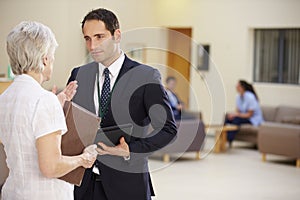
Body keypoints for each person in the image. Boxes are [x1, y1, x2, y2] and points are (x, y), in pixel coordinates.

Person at [67, 8, 177, 200]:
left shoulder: (146, 76)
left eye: (99, 37)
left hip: (128, 185)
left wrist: (131, 150)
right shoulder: (79, 74)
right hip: (84, 186)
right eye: (87, 38)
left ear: (117, 35)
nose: (92, 46)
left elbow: (168, 129)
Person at [0, 21, 97, 200]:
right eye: (52, 56)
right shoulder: (44, 101)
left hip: (13, 192)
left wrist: (57, 102)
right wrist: (83, 159)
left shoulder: (4, 99)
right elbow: (51, 167)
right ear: (45, 59)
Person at [225, 80, 264, 146]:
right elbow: (237, 111)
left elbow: (249, 114)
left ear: (242, 87)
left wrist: (237, 115)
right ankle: (222, 138)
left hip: (253, 119)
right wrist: (232, 115)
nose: (236, 87)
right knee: (227, 119)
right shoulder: (238, 97)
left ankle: (228, 139)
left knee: (236, 120)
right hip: (243, 116)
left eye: (238, 86)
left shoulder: (250, 97)